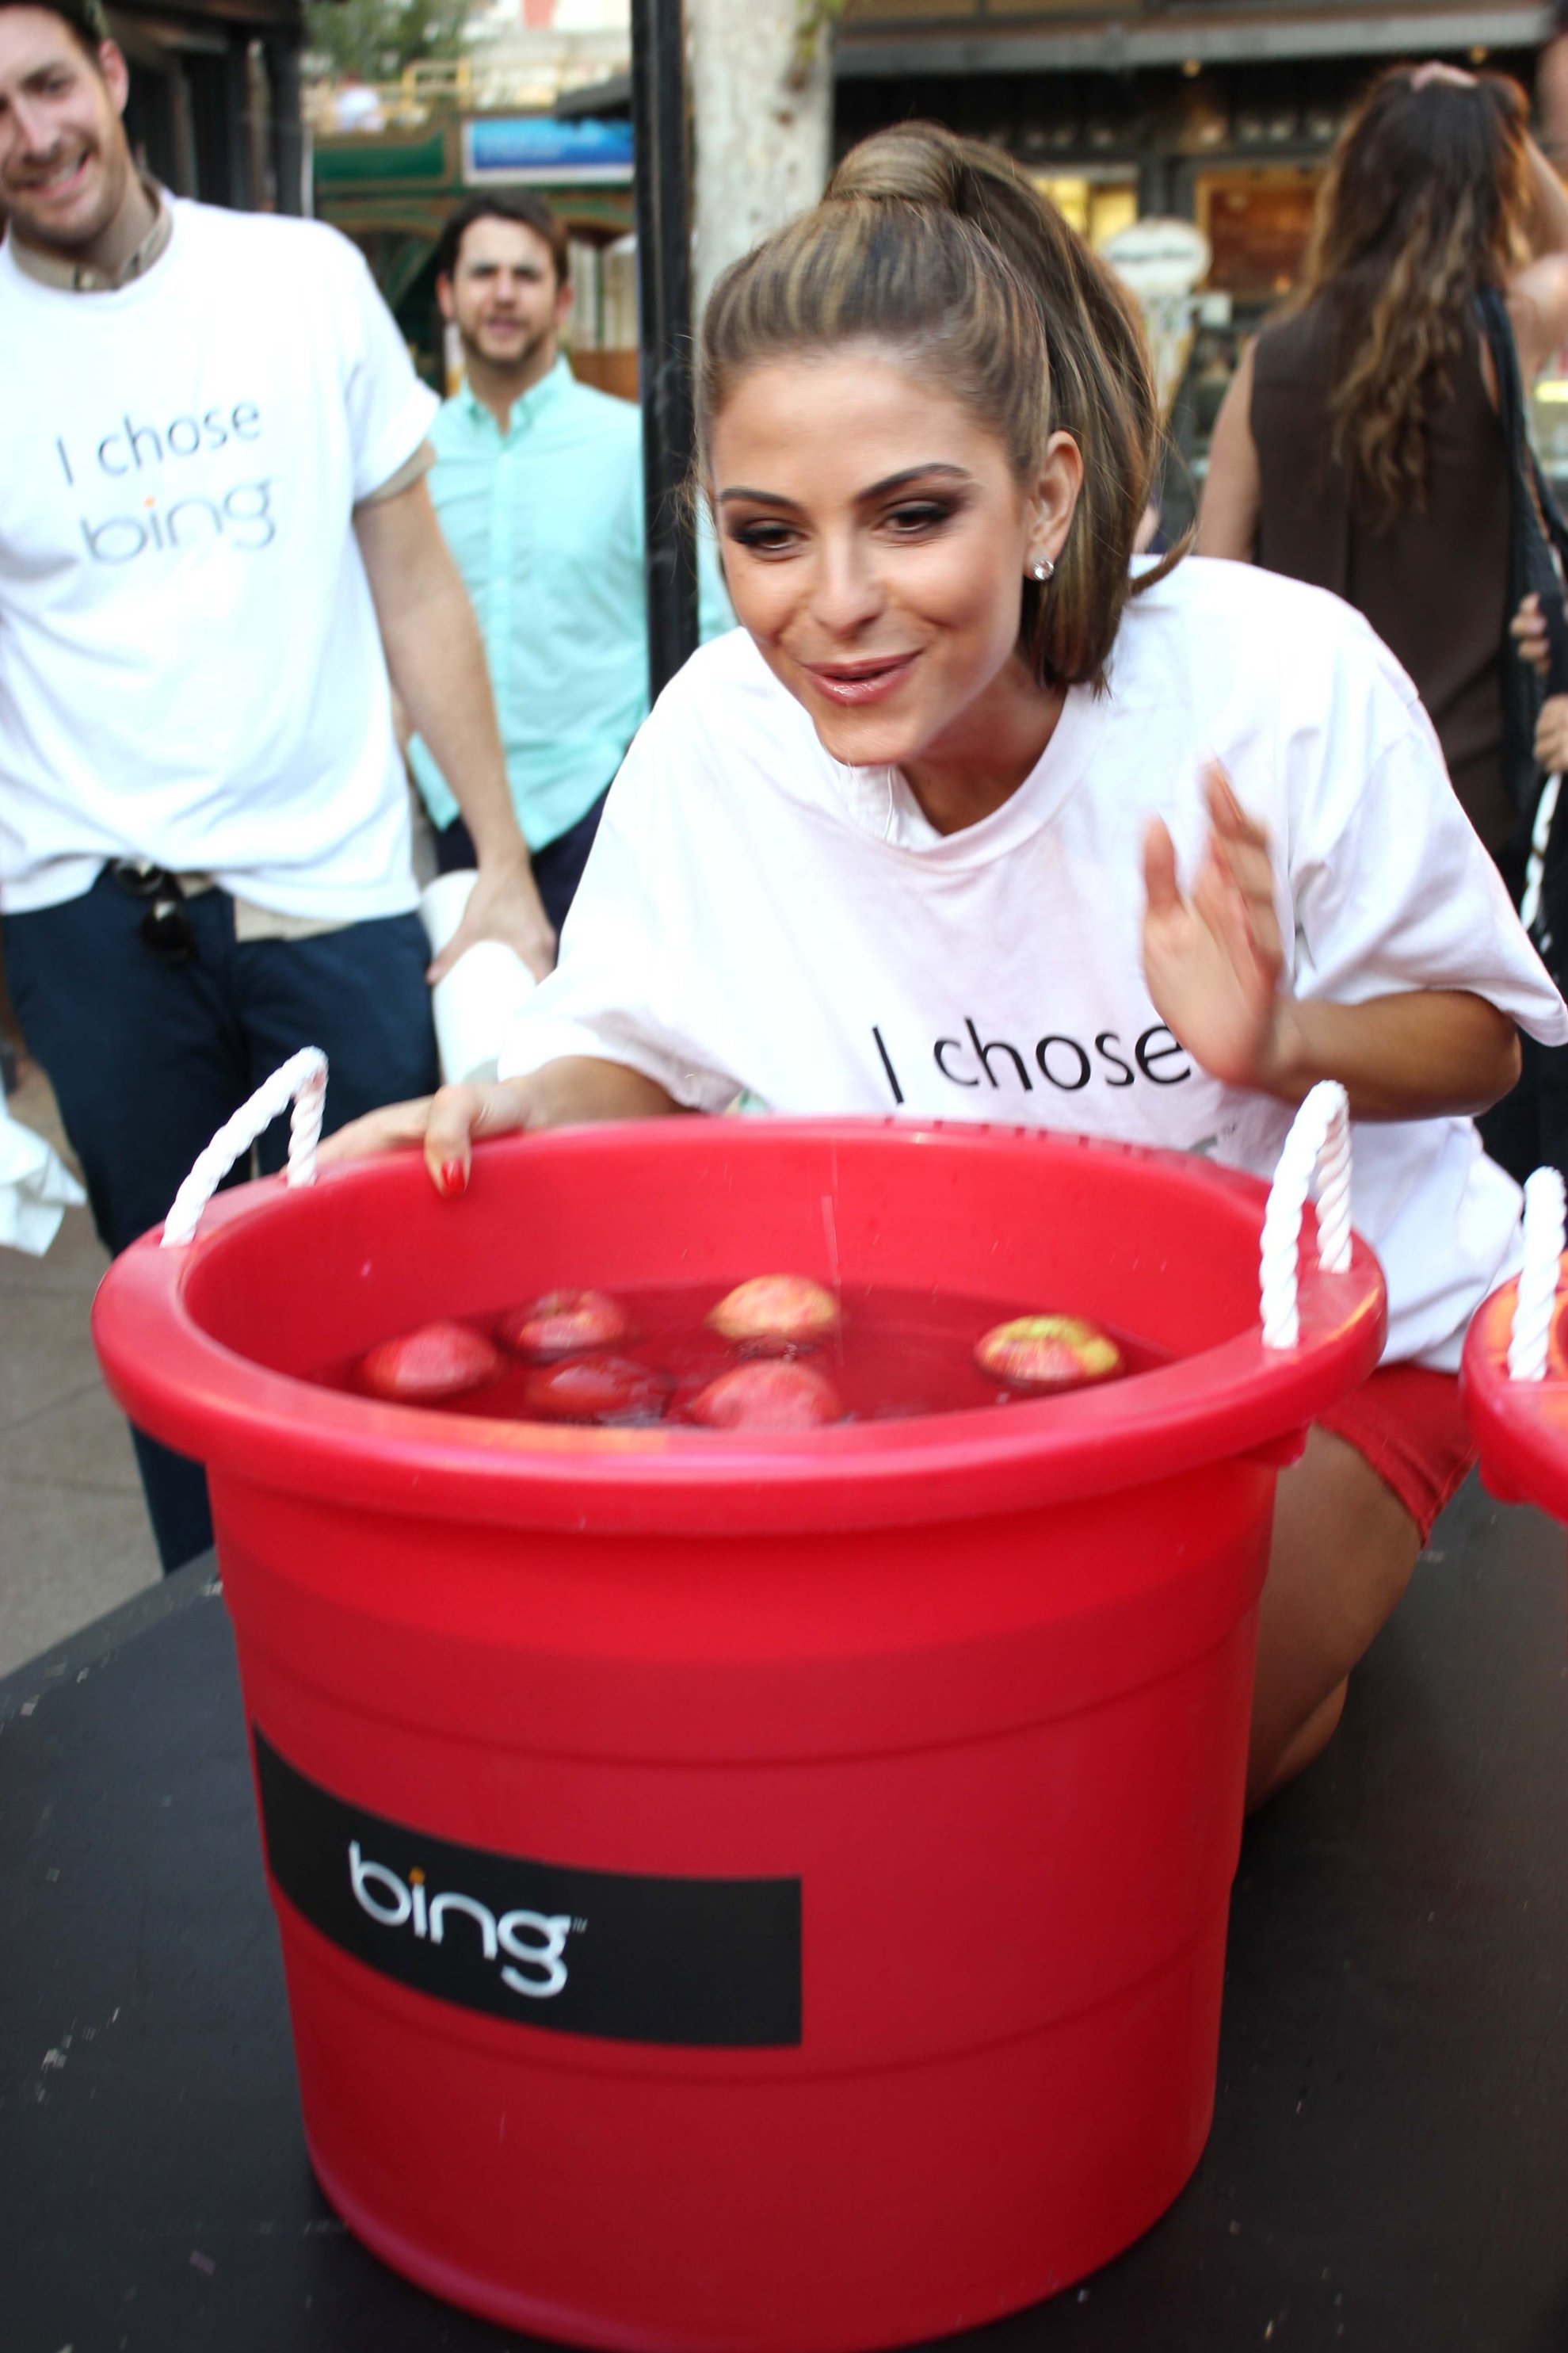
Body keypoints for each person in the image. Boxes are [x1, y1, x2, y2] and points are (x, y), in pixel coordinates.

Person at [322, 124, 1568, 1808]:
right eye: (765, 534)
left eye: (911, 516)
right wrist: (513, 1100)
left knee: (1105, 1801)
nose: (833, 605)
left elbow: (1484, 1042)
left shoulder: (1271, 682)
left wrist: (1272, 1034)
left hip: (1338, 1337)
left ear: (1049, 492)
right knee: (854, 1779)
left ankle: (1283, 1691)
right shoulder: (716, 733)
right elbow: (639, 1045)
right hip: (977, 1364)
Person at [0, 0, 555, 1572]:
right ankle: (220, 1635)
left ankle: (438, 1604)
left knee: (404, 1289)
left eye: (47, 84)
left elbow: (415, 582)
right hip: (92, 918)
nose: (29, 136)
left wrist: (498, 859)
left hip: (330, 887)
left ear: (111, 77)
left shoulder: (296, 281)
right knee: (179, 1311)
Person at [1198, 62, 1568, 880]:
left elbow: (1211, 598)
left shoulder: (1269, 362)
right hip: (1466, 794)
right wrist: (1499, 122)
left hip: (1309, 795)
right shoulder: (1498, 341)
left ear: (1358, 186)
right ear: (1486, 195)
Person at [411, 193, 731, 932]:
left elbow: (705, 634)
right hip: (444, 816)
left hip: (598, 812)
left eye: (524, 276)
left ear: (560, 302)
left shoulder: (634, 447)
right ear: (447, 294)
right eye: (482, 272)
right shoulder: (410, 457)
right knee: (469, 1045)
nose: (501, 293)